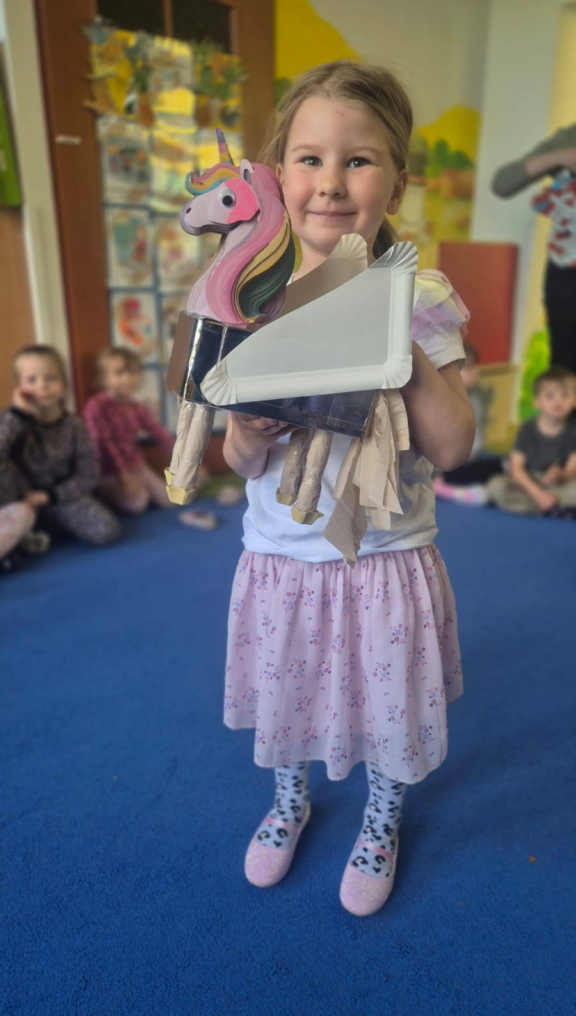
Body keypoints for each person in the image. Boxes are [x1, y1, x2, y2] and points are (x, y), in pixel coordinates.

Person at [221, 61, 475, 916]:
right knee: (287, 690)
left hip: (383, 556)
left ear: (396, 182)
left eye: (358, 161)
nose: (330, 182)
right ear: (278, 174)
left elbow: (453, 445)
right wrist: (246, 433)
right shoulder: (253, 297)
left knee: (388, 702)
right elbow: (238, 459)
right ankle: (290, 800)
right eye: (309, 159)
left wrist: (389, 324)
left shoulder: (425, 295)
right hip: (283, 557)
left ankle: (381, 815)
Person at [0, 345, 120, 550]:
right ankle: (26, 533)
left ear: (64, 384)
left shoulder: (74, 426)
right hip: (17, 502)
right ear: (19, 387)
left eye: (51, 378)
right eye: (32, 380)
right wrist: (18, 416)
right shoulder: (12, 420)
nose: (43, 386)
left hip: (58, 498)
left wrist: (51, 496)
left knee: (106, 530)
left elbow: (89, 474)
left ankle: (42, 528)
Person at [83, 348, 217, 529]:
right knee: (138, 505)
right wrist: (124, 477)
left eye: (132, 373)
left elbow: (159, 433)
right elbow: (105, 444)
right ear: (104, 378)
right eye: (119, 373)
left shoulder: (135, 407)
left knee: (169, 501)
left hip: (135, 465)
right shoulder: (96, 406)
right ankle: (108, 492)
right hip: (110, 470)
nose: (127, 378)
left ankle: (139, 488)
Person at [492, 129, 576, 373]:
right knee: (565, 362)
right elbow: (502, 184)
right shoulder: (568, 138)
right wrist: (561, 156)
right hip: (568, 266)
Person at [485, 367, 576, 517]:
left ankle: (545, 505)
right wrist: (539, 494)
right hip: (530, 481)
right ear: (537, 402)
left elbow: (572, 469)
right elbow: (516, 469)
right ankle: (551, 506)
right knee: (496, 486)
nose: (558, 401)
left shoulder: (573, 429)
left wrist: (560, 475)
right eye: (550, 396)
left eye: (565, 395)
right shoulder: (527, 428)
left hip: (558, 485)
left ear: (574, 401)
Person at [433, 343, 503, 505]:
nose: (477, 372)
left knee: (500, 465)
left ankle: (446, 487)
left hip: (472, 458)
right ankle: (444, 489)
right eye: (470, 369)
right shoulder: (447, 401)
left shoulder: (477, 396)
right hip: (450, 465)